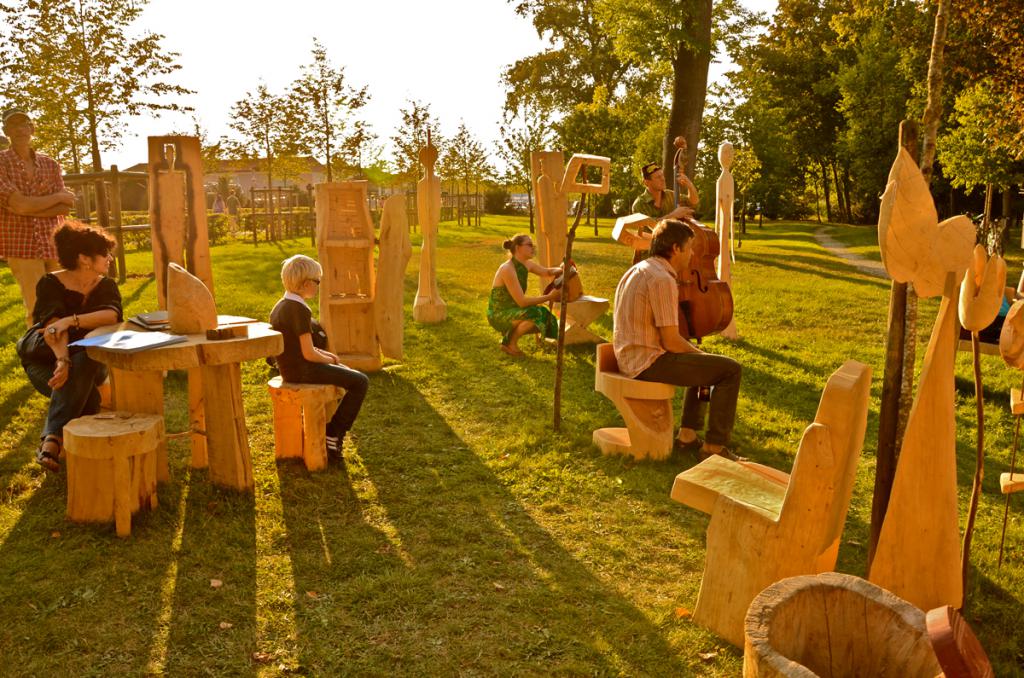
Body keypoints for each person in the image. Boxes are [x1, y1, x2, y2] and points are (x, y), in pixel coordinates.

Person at [612, 219, 743, 460]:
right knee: (729, 370)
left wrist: (697, 354)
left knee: (703, 366)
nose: (692, 254)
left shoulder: (640, 268)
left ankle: (687, 435)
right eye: (690, 247)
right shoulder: (662, 278)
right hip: (646, 363)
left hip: (630, 356)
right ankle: (714, 447)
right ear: (676, 249)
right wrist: (699, 354)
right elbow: (672, 341)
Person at [21, 221, 122, 472]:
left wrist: (72, 320)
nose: (110, 258)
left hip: (90, 359)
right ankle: (62, 445)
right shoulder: (50, 283)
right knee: (89, 400)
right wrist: (62, 361)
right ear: (84, 259)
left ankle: (51, 438)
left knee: (87, 356)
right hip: (46, 359)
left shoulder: (105, 285)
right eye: (105, 253)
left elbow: (111, 315)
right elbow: (53, 330)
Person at [269, 254, 369, 459]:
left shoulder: (281, 305)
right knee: (360, 382)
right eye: (317, 281)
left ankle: (333, 432)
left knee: (349, 375)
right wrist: (331, 360)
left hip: (291, 368)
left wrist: (328, 356)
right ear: (306, 283)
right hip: (303, 371)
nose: (318, 285)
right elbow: (308, 353)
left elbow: (302, 347)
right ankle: (333, 433)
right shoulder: (299, 310)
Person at [0, 108, 76, 326]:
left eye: (24, 124)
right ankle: (38, 356)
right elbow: (21, 205)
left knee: (64, 302)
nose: (20, 129)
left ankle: (65, 355)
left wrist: (27, 207)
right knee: (36, 307)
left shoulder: (50, 164)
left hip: (53, 241)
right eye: (13, 125)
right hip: (20, 245)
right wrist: (57, 197)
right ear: (7, 132)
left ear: (32, 128)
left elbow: (65, 207)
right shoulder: (1, 163)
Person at [487, 233, 562, 357]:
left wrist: (563, 269)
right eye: (529, 245)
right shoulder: (507, 269)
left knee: (542, 315)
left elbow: (547, 272)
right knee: (538, 313)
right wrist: (550, 297)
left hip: (513, 309)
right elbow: (522, 302)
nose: (533, 248)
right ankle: (510, 343)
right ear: (517, 248)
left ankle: (508, 337)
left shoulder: (527, 264)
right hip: (499, 314)